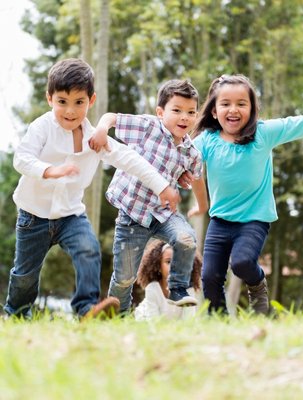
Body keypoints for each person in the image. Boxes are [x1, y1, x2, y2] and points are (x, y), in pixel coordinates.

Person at [4, 58, 180, 320]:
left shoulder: (94, 138)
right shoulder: (42, 127)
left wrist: (162, 186)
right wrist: (50, 170)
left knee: (89, 249)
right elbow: (22, 158)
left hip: (70, 215)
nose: (70, 110)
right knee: (25, 274)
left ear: (91, 100)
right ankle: (16, 313)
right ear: (50, 98)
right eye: (62, 101)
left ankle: (86, 309)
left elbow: (129, 159)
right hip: (33, 216)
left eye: (79, 102)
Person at [186, 74, 303, 315]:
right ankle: (219, 320)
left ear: (252, 110)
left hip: (254, 219)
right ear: (214, 111)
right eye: (225, 104)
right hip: (220, 221)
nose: (233, 109)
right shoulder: (206, 141)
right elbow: (182, 158)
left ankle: (258, 284)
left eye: (241, 103)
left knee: (242, 262)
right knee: (210, 276)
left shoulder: (263, 134)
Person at [89, 79, 208, 314]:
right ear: (160, 112)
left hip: (163, 214)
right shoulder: (148, 127)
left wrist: (202, 206)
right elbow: (112, 117)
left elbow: (197, 180)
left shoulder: (191, 152)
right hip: (132, 215)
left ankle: (178, 287)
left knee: (186, 238)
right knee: (124, 278)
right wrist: (101, 130)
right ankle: (116, 316)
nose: (184, 117)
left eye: (191, 112)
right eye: (177, 110)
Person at [134, 240, 202, 320]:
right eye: (168, 261)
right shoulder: (153, 288)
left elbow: (189, 321)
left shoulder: (189, 290)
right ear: (159, 267)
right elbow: (153, 321)